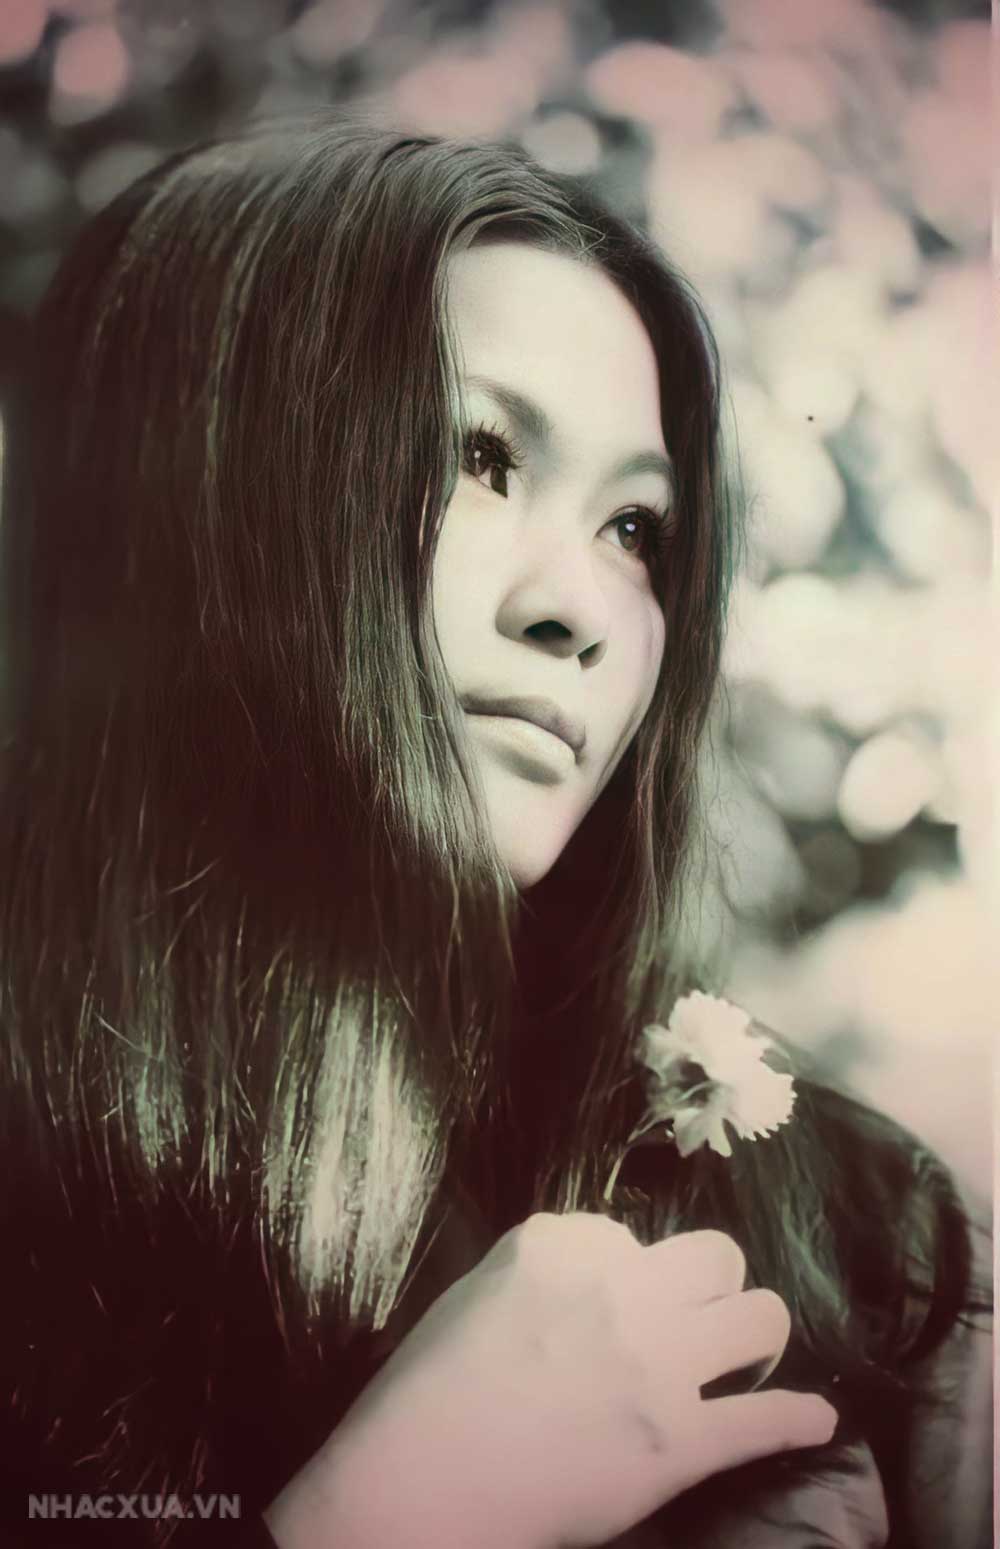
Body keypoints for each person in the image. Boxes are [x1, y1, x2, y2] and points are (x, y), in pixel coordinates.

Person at [0, 117, 990, 1548]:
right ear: (203, 479)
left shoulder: (869, 1239)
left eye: (636, 529)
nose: (578, 608)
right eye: (480, 454)